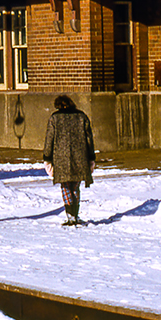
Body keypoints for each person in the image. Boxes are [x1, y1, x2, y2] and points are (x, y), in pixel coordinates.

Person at [42, 94, 95, 226]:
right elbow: (89, 139)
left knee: (65, 186)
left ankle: (70, 215)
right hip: (80, 157)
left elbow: (49, 139)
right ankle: (75, 215)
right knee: (76, 187)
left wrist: (47, 157)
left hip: (61, 158)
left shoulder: (55, 118)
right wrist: (91, 156)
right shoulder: (81, 116)